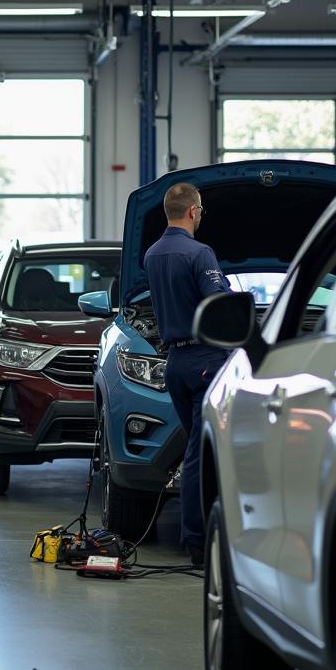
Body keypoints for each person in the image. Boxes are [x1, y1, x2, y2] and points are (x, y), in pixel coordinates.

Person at [143, 182, 230, 567]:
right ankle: (196, 541)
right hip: (206, 360)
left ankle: (198, 529)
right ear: (193, 212)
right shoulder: (200, 253)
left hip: (175, 364)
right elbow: (220, 304)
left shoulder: (151, 254)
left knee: (193, 448)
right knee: (198, 454)